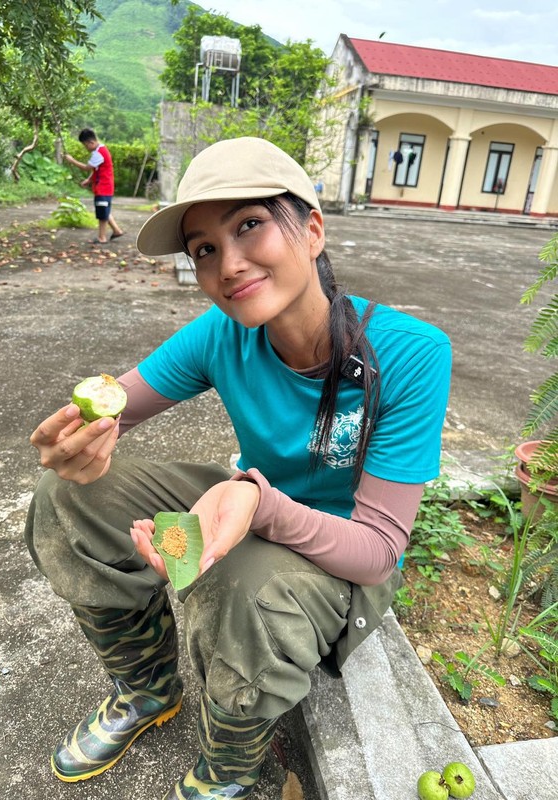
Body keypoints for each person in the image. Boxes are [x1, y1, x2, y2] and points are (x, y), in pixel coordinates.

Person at [26, 136, 452, 799]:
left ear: (311, 229)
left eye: (249, 224)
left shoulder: (411, 354)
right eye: (203, 249)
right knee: (65, 498)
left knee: (240, 591)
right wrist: (78, 440)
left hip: (337, 559)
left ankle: (228, 764)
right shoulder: (223, 334)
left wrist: (260, 503)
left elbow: (376, 553)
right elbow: (115, 410)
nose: (227, 263)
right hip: (248, 506)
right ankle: (148, 689)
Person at [64, 128, 124, 244]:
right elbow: (98, 170)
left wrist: (72, 160)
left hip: (103, 187)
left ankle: (102, 238)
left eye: (85, 146)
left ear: (91, 142)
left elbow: (87, 167)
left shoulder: (98, 153)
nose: (86, 148)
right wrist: (89, 180)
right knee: (105, 210)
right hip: (106, 187)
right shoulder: (102, 149)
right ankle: (117, 230)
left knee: (102, 214)